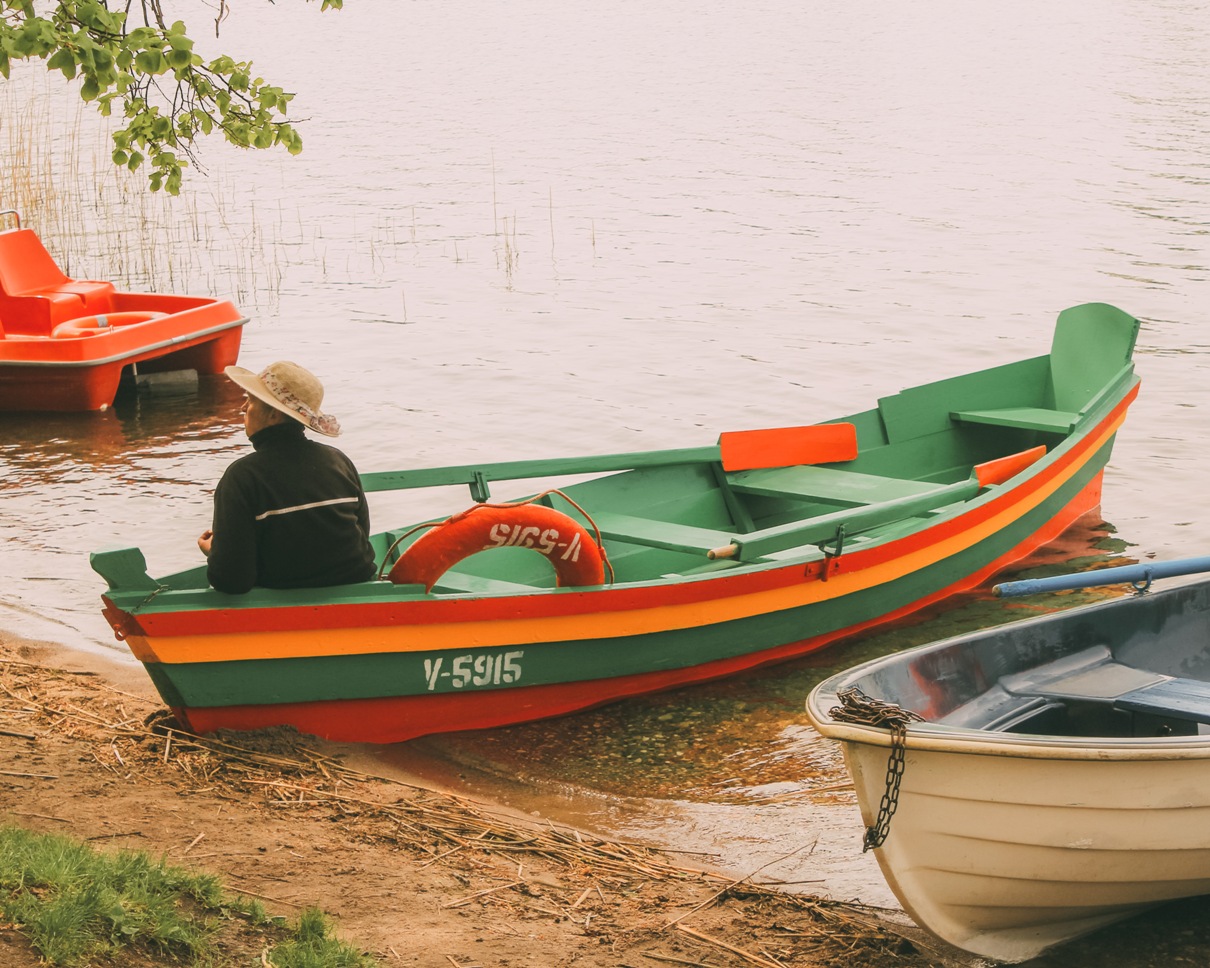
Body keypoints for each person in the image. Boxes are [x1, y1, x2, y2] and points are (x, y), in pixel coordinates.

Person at [198, 360, 376, 594]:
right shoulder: (338, 461)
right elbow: (361, 532)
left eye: (250, 401)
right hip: (359, 587)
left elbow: (231, 580)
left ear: (273, 415)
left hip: (284, 607)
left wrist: (216, 551)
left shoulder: (242, 476)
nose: (243, 408)